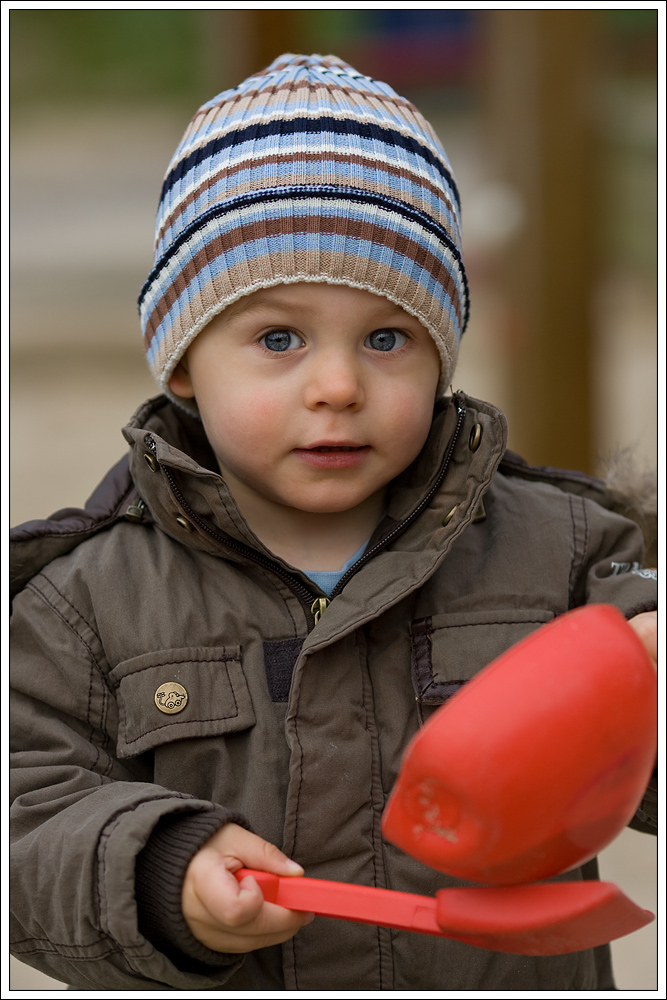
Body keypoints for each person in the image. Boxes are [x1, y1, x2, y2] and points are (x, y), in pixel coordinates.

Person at [10, 53, 657, 991]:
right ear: (182, 359)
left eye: (387, 338)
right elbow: (24, 820)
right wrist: (158, 866)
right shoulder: (83, 603)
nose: (339, 387)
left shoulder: (562, 554)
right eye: (278, 339)